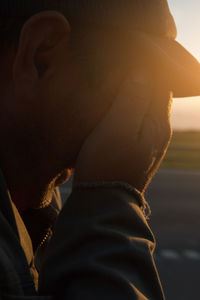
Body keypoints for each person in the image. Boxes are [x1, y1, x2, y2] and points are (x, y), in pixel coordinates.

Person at [0, 0, 199, 299]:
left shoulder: (27, 204)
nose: (150, 121)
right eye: (139, 89)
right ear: (41, 54)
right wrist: (109, 201)